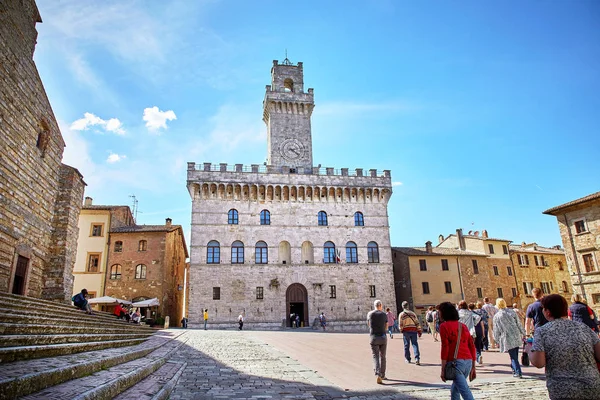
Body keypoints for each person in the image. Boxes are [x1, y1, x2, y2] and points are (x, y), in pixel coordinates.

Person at [530, 294, 600, 399]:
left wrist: (529, 350)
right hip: (591, 384)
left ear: (547, 312)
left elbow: (539, 363)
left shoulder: (542, 331)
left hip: (562, 388)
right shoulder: (583, 327)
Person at [438, 302, 476, 400]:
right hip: (468, 361)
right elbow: (471, 345)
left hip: (455, 363)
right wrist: (473, 365)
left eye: (440, 312)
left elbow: (445, 347)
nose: (439, 314)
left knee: (465, 391)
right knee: (455, 389)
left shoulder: (444, 326)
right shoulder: (462, 326)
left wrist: (443, 369)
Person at [493, 298, 526, 378]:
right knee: (515, 355)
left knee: (513, 356)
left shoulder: (497, 316)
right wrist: (523, 333)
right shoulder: (512, 312)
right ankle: (514, 369)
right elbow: (518, 323)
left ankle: (518, 372)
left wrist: (496, 340)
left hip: (507, 337)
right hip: (516, 335)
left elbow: (496, 329)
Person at [367, 299, 388, 384]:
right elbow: (386, 326)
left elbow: (369, 325)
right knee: (383, 356)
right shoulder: (384, 314)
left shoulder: (370, 314)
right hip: (383, 337)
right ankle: (383, 375)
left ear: (374, 305)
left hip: (374, 337)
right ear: (380, 305)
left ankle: (377, 374)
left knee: (375, 356)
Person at [399, 301, 422, 365]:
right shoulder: (413, 313)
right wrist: (419, 330)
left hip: (406, 331)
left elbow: (400, 324)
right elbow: (417, 322)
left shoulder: (401, 314)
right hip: (414, 330)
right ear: (408, 306)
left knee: (406, 345)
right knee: (415, 344)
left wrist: (401, 330)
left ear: (402, 307)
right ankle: (417, 358)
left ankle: (408, 358)